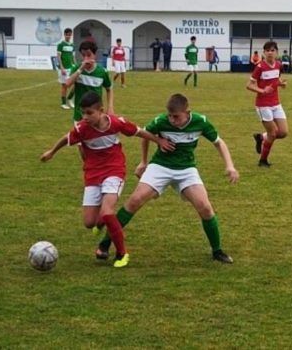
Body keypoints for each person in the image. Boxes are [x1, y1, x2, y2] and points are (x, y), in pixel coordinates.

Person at [96, 93, 239, 264]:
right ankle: (105, 244)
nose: (172, 120)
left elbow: (219, 142)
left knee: (205, 207)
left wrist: (229, 166)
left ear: (187, 112)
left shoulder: (200, 122)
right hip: (160, 166)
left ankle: (217, 251)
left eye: (176, 116)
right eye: (170, 116)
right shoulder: (160, 121)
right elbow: (145, 136)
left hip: (186, 169)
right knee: (135, 200)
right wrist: (143, 162)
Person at [40, 91, 175, 268]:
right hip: (92, 174)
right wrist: (51, 151)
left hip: (114, 169)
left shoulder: (116, 123)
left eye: (89, 113)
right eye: (83, 112)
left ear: (101, 111)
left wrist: (158, 140)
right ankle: (103, 221)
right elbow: (66, 139)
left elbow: (139, 132)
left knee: (107, 211)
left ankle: (122, 253)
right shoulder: (82, 128)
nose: (85, 117)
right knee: (89, 223)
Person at [247, 41, 288, 167]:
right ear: (264, 53)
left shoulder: (278, 65)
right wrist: (262, 90)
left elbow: (276, 78)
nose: (270, 53)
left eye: (272, 50)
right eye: (267, 50)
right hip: (263, 105)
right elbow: (249, 85)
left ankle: (260, 137)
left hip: (276, 103)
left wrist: (281, 83)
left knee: (283, 132)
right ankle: (263, 160)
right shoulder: (260, 67)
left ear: (276, 52)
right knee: (273, 133)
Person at [66, 40, 114, 123]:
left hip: (97, 115)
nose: (86, 58)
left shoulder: (102, 71)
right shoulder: (77, 68)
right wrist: (81, 69)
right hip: (79, 115)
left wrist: (110, 107)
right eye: (83, 55)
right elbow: (67, 84)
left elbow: (109, 89)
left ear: (94, 55)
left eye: (89, 55)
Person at [57, 28, 76, 110]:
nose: (68, 36)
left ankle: (70, 98)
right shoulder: (61, 45)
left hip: (71, 68)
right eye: (67, 34)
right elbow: (58, 57)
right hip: (63, 68)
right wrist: (61, 67)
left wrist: (75, 65)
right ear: (64, 35)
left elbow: (73, 56)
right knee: (64, 86)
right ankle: (63, 103)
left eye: (70, 34)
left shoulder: (72, 45)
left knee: (76, 84)